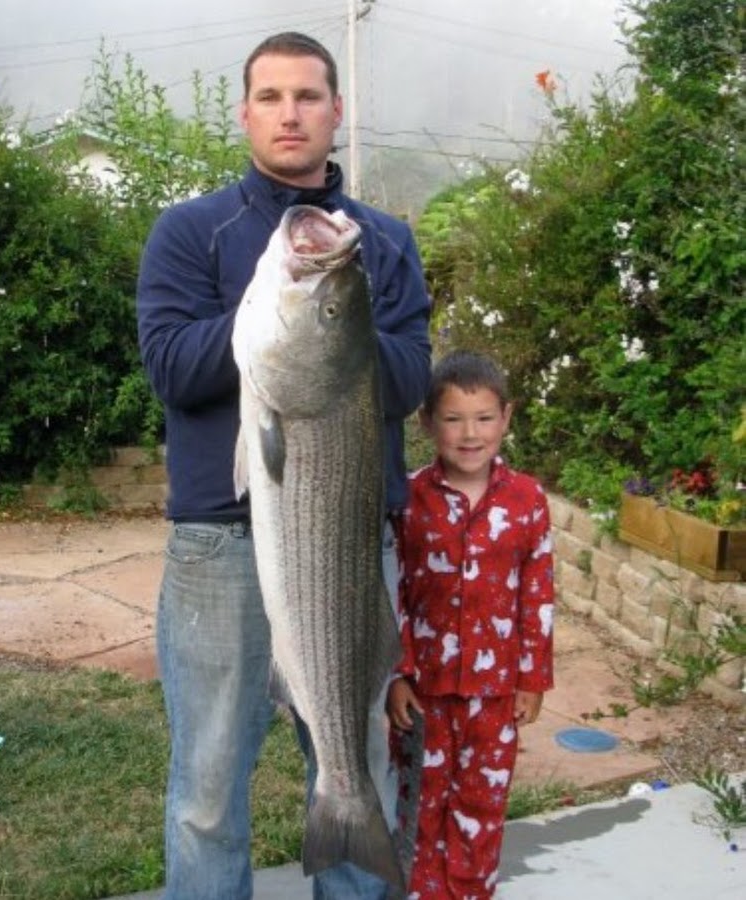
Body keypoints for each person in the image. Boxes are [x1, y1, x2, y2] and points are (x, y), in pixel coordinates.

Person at [136, 31, 431, 900]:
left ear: (338, 112)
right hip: (219, 550)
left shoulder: (383, 239)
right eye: (272, 97)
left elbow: (409, 374)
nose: (291, 113)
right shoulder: (192, 231)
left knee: (355, 768)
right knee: (207, 792)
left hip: (345, 541)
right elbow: (173, 370)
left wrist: (324, 316)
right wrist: (280, 319)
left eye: (309, 96)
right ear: (244, 114)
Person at [386, 349, 554, 900]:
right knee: (421, 802)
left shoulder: (527, 501)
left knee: (481, 804)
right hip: (424, 693)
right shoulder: (408, 499)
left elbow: (537, 593)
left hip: (495, 692)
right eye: (453, 419)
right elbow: (395, 592)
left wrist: (532, 679)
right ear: (427, 423)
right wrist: (397, 674)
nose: (469, 434)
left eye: (483, 418)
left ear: (507, 417)